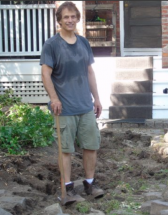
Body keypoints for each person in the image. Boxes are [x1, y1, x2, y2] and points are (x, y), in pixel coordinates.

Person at [40, 1, 104, 204]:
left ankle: (89, 184)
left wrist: (97, 98)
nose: (69, 20)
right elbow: (45, 73)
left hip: (85, 105)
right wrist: (54, 98)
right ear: (59, 20)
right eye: (65, 17)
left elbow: (89, 72)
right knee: (65, 149)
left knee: (91, 146)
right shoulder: (51, 45)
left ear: (77, 18)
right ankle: (68, 188)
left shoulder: (83, 42)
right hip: (64, 108)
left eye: (73, 16)